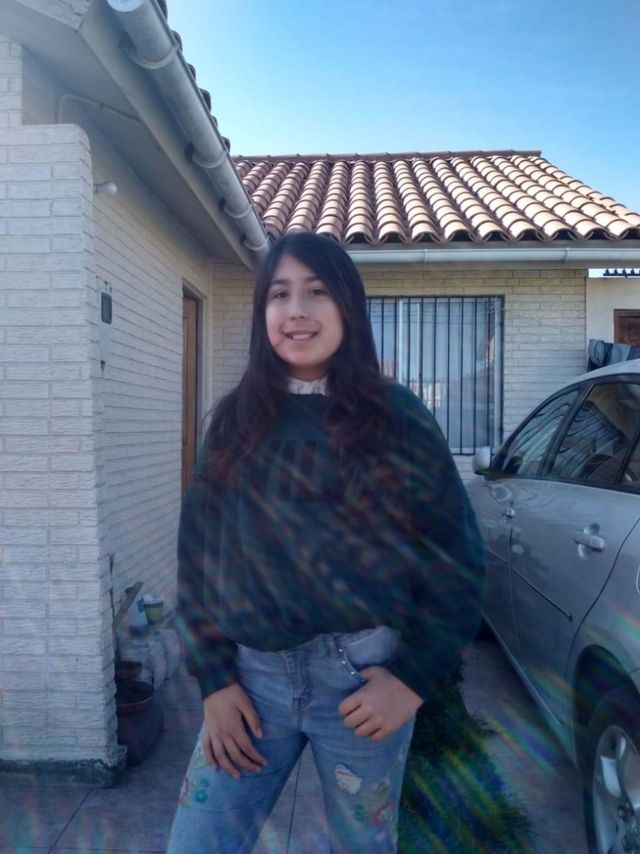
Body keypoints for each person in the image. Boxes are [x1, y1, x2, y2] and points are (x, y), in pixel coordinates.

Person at [167, 232, 485, 853]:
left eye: (316, 292)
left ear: (348, 306)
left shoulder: (398, 419)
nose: (296, 311)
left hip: (361, 684)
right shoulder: (234, 422)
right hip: (250, 684)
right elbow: (197, 558)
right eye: (279, 294)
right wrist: (213, 680)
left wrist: (411, 680)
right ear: (262, 313)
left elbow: (457, 560)